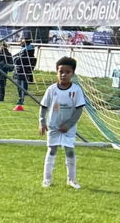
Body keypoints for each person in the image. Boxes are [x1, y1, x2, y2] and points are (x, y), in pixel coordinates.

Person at [39, 56, 87, 189]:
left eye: (68, 72)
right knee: (52, 150)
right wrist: (42, 122)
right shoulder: (51, 89)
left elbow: (78, 110)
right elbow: (43, 106)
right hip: (53, 126)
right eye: (61, 72)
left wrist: (68, 125)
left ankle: (71, 180)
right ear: (57, 72)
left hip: (69, 128)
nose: (64, 75)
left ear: (73, 73)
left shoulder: (76, 90)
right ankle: (47, 179)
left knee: (70, 151)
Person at [13, 36, 36, 104]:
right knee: (21, 85)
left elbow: (20, 60)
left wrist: (15, 59)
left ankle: (21, 99)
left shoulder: (27, 52)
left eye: (22, 42)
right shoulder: (25, 50)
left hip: (22, 71)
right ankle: (21, 98)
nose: (21, 43)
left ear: (26, 43)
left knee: (21, 85)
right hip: (22, 70)